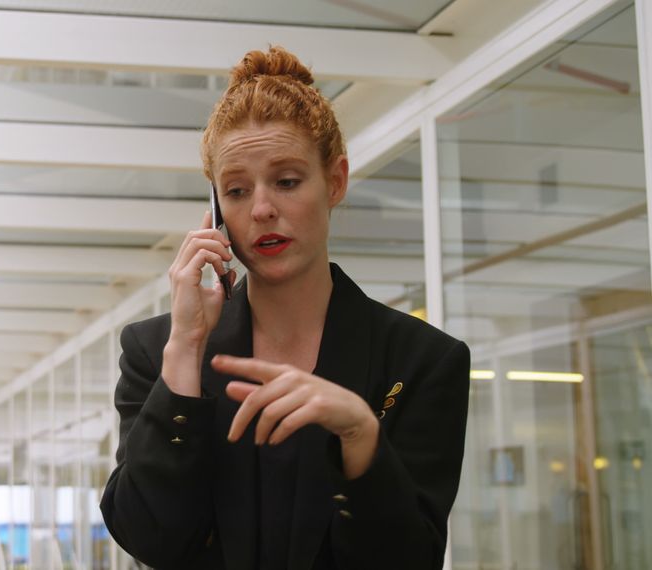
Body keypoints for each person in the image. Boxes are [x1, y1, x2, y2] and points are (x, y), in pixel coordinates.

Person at [100, 46, 470, 570]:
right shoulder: (155, 350)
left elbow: (409, 558)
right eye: (236, 190)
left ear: (335, 182)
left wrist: (360, 436)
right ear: (215, 212)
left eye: (287, 181)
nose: (262, 209)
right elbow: (150, 537)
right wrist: (184, 351)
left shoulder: (421, 360)